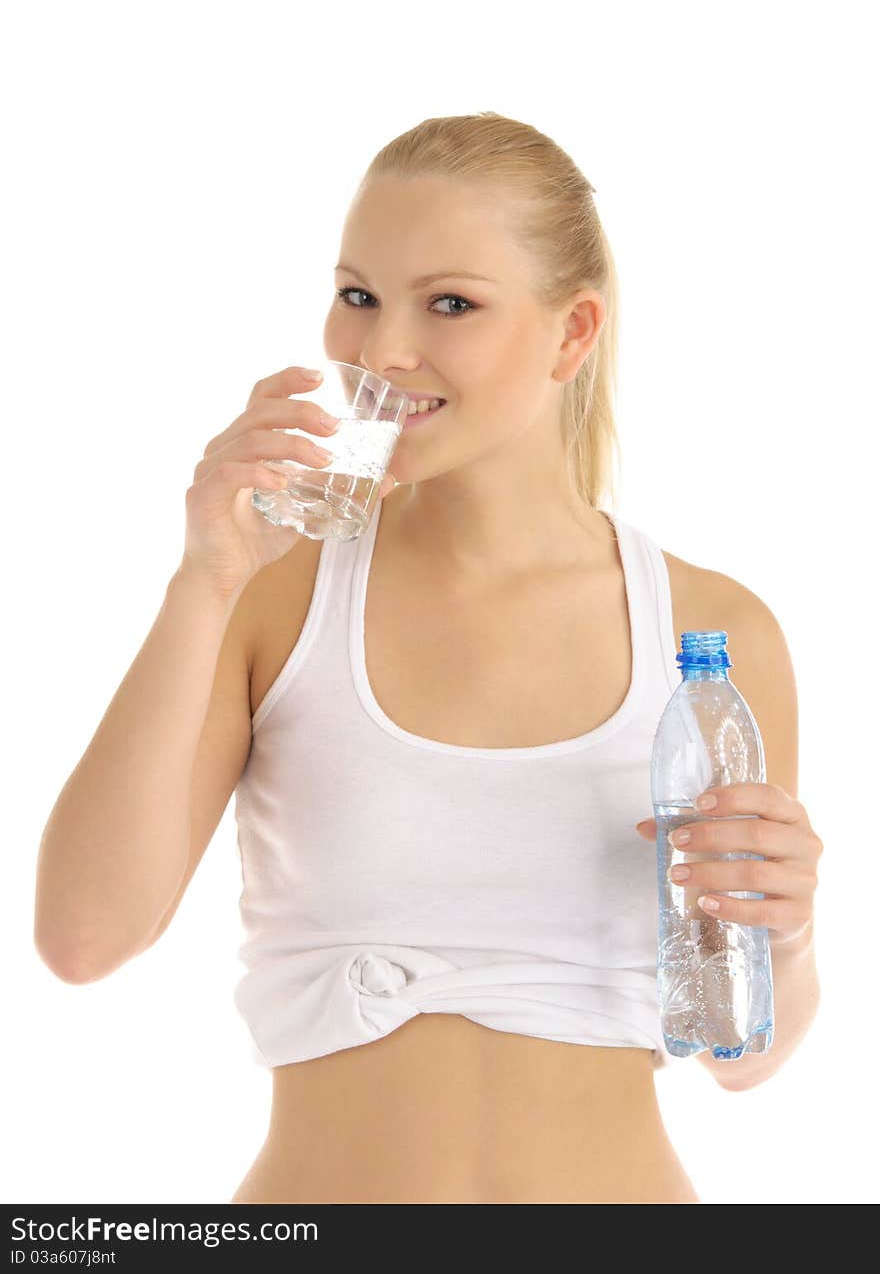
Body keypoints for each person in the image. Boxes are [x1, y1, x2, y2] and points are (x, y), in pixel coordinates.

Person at [34, 112, 820, 1204]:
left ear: (571, 333)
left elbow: (746, 1057)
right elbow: (82, 938)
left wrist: (784, 932)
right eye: (359, 295)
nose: (379, 350)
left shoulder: (710, 632)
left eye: (449, 303)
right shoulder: (275, 592)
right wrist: (201, 582)